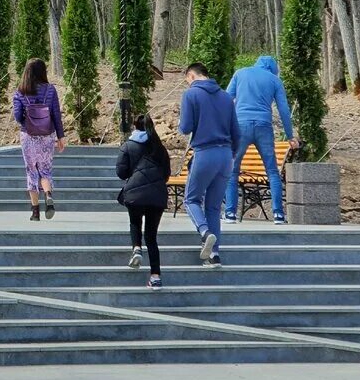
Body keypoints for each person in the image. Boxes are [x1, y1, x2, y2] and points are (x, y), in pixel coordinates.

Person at [179, 61, 240, 266]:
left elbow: (185, 127)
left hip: (205, 153)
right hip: (225, 157)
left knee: (191, 199)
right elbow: (236, 132)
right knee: (213, 207)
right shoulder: (225, 97)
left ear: (191, 76)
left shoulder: (191, 95)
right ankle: (214, 255)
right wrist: (231, 154)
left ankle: (204, 232)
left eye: (187, 79)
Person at [225, 55, 297, 224]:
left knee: (232, 170)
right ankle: (278, 214)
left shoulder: (240, 73)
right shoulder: (274, 80)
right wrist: (290, 135)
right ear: (273, 69)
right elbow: (284, 110)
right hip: (264, 126)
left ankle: (230, 213)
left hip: (240, 125)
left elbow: (226, 99)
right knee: (272, 171)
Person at [116, 114, 172, 290]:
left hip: (135, 194)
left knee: (135, 222)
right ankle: (155, 277)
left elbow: (121, 173)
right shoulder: (160, 148)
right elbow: (166, 174)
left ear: (134, 126)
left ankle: (136, 248)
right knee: (152, 237)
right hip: (157, 195)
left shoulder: (128, 146)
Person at [12, 58, 65, 221]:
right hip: (47, 136)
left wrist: (28, 123)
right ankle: (48, 195)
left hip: (28, 136)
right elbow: (56, 114)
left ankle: (35, 212)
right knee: (45, 170)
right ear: (43, 71)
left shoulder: (20, 91)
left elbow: (17, 115)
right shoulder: (50, 90)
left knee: (31, 171)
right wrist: (60, 136)